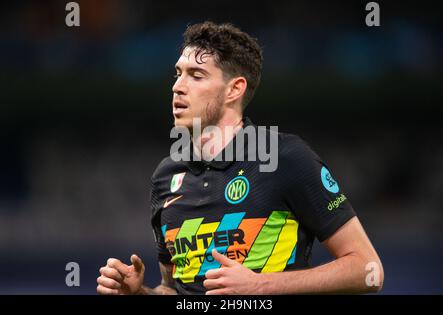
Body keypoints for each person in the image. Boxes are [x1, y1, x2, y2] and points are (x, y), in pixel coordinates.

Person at [96, 21, 383, 295]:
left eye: (196, 75)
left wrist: (261, 286)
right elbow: (175, 289)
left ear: (235, 89)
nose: (178, 86)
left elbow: (368, 270)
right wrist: (140, 292)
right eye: (178, 73)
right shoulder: (165, 175)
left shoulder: (286, 158)